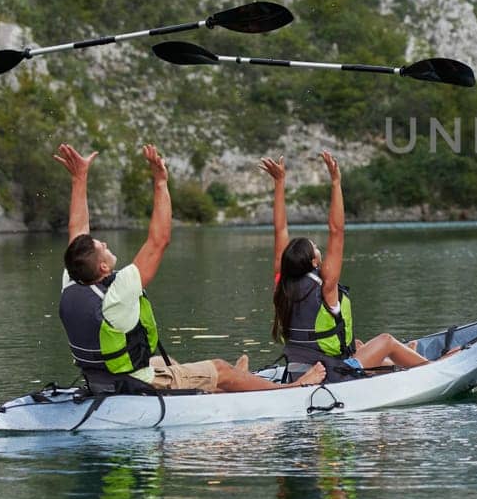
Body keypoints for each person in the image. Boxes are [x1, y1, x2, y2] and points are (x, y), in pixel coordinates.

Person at [54, 143, 325, 393]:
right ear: (102, 266)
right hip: (134, 384)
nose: (103, 242)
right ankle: (285, 388)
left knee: (166, 360)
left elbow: (77, 233)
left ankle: (232, 383)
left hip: (101, 378)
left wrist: (80, 178)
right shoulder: (117, 293)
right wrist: (160, 182)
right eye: (102, 246)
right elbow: (159, 240)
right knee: (219, 367)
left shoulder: (73, 279)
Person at [263, 152, 436, 382]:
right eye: (315, 247)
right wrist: (336, 182)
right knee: (385, 340)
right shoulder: (326, 286)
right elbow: (336, 230)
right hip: (330, 374)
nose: (319, 248)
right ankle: (434, 367)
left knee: (359, 346)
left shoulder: (282, 284)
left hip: (296, 372)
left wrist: (279, 182)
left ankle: (402, 357)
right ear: (314, 262)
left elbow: (280, 230)